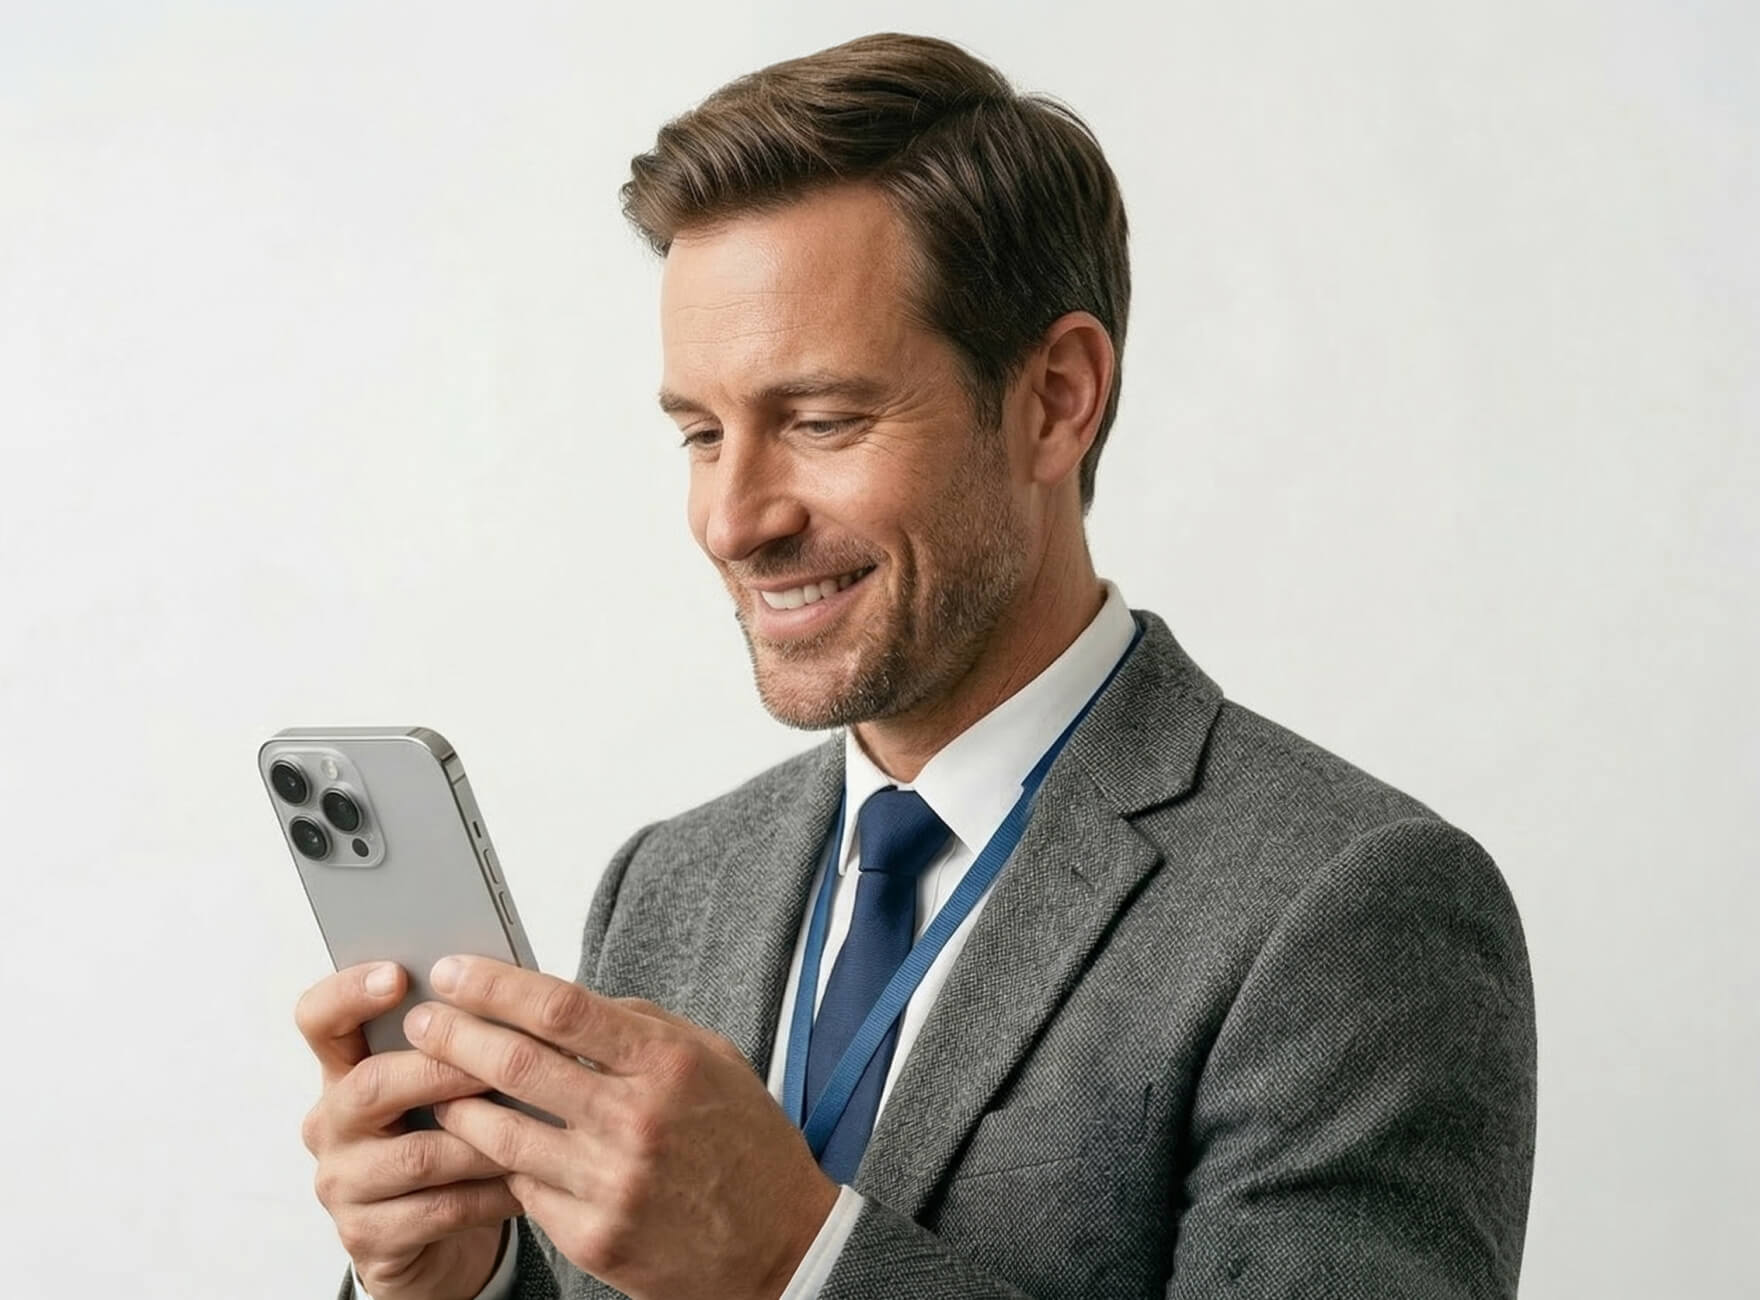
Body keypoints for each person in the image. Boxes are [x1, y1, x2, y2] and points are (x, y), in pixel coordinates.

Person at [294, 32, 1537, 1300]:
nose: (734, 519)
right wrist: (456, 1283)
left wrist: (800, 1259)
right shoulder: (668, 885)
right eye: (700, 433)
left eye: (822, 421)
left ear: (1055, 398)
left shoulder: (1346, 905)